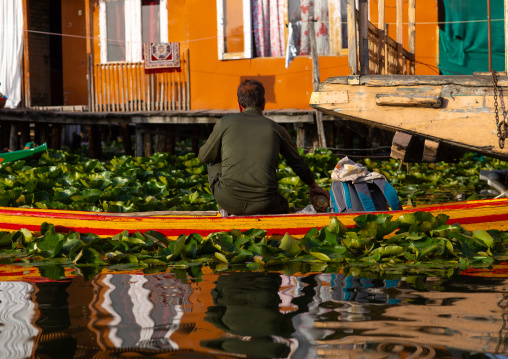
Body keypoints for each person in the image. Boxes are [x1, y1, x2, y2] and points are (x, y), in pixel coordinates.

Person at [198, 79, 329, 216]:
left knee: (212, 159)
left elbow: (203, 157)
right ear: (263, 105)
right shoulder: (277, 129)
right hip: (266, 204)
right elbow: (297, 163)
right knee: (282, 203)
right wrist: (313, 186)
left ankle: (225, 209)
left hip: (229, 201)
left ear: (239, 105)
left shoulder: (224, 123)